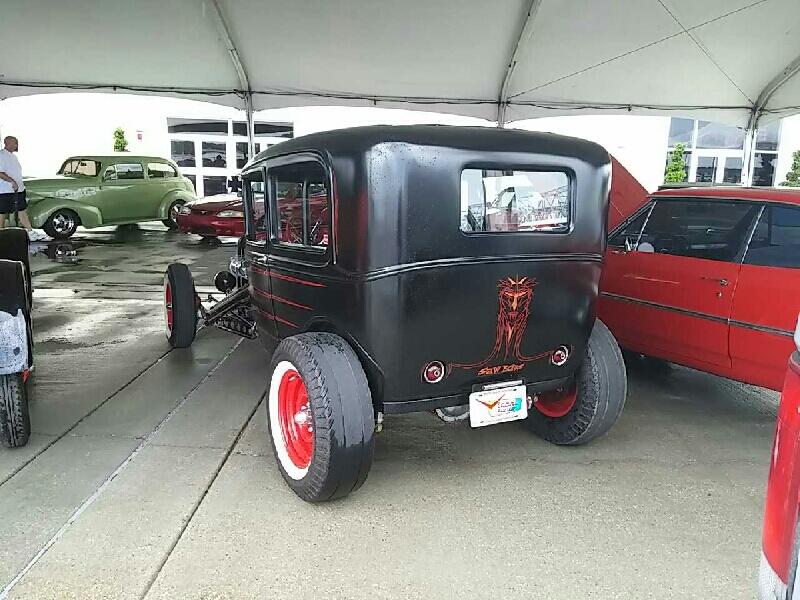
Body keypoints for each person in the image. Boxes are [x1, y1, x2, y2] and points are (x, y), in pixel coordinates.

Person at [0, 136, 49, 241]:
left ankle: (30, 232)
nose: (16, 145)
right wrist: (11, 181)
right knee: (2, 212)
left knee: (22, 210)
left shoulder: (13, 156)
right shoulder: (2, 155)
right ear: (7, 143)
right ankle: (1, 233)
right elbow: (0, 172)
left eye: (16, 143)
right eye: (14, 143)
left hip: (18, 189)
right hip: (5, 191)